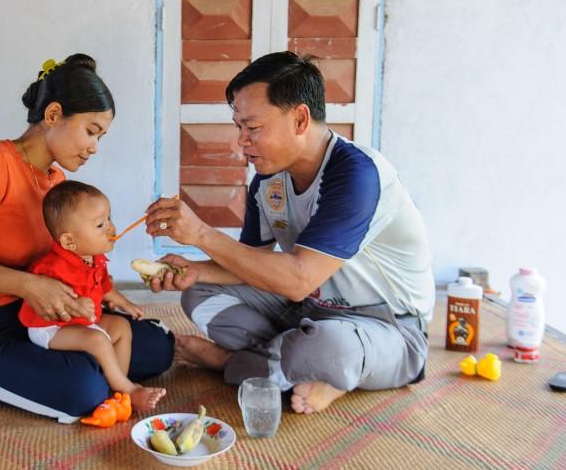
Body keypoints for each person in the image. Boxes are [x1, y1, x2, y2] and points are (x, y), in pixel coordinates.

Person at [143, 51, 434, 414]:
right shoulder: (268, 180)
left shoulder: (355, 174)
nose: (241, 142)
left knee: (325, 348)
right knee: (196, 294)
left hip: (387, 327)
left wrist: (201, 234)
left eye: (253, 128)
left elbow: (298, 278)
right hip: (307, 309)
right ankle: (302, 364)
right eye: (239, 128)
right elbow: (254, 264)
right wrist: (195, 270)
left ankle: (238, 364)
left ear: (299, 119)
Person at [0, 54, 174, 423]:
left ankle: (88, 371)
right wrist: (30, 286)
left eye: (101, 136)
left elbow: (66, 263)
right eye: (91, 130)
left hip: (39, 319)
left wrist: (103, 293)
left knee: (157, 347)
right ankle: (88, 377)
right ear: (53, 115)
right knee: (83, 391)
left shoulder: (57, 185)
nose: (94, 147)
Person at [18, 180, 166, 412]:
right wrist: (76, 304)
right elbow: (48, 299)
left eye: (109, 218)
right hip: (51, 327)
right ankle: (130, 390)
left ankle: (117, 389)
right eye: (99, 225)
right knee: (98, 340)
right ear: (69, 240)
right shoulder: (51, 268)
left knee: (121, 327)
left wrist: (124, 303)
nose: (111, 228)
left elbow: (105, 287)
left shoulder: (94, 257)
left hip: (83, 321)